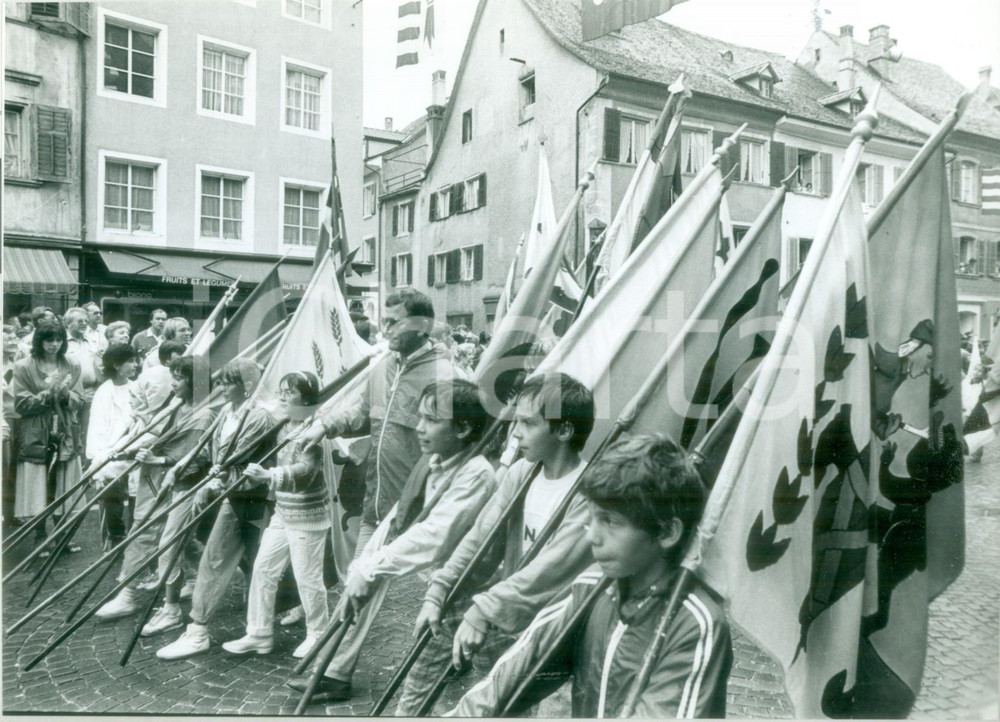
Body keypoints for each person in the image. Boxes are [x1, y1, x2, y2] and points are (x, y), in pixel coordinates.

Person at [447, 434, 733, 718]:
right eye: (591, 518)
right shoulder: (591, 587)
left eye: (610, 521)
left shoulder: (694, 624)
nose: (593, 536)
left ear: (667, 532)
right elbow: (513, 675)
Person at [394, 372, 596, 715]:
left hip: (560, 633)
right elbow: (481, 540)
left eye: (527, 423)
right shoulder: (520, 473)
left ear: (563, 431)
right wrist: (440, 589)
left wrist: (484, 610)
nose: (514, 433)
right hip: (514, 617)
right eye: (515, 420)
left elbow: (551, 573)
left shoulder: (589, 492)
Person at [287, 379, 498, 700]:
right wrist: (364, 566)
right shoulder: (432, 460)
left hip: (465, 585)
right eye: (420, 417)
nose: (419, 428)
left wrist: (372, 569)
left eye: (431, 420)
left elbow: (434, 535)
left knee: (431, 683)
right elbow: (396, 520)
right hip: (441, 577)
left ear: (463, 428)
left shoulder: (477, 473)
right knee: (437, 660)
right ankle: (336, 674)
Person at [299, 289, 458, 560]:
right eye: (385, 322)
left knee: (419, 597)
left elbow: (456, 452)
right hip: (374, 507)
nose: (386, 331)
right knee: (357, 588)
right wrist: (324, 425)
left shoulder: (444, 376)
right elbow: (361, 414)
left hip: (417, 514)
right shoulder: (384, 367)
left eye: (395, 322)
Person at [154, 359, 279, 656]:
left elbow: (235, 459)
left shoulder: (259, 416)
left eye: (228, 383)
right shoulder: (227, 411)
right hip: (231, 492)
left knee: (217, 559)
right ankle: (260, 629)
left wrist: (212, 484)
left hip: (249, 496)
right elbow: (208, 449)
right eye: (221, 381)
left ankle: (198, 630)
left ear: (247, 387)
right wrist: (180, 467)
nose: (220, 388)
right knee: (251, 562)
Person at [95, 356, 216, 621]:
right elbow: (161, 437)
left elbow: (197, 455)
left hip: (181, 484)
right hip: (157, 479)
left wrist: (158, 459)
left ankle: (128, 595)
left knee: (148, 534)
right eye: (173, 376)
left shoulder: (203, 414)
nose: (174, 383)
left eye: (180, 377)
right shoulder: (177, 405)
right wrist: (132, 450)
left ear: (195, 382)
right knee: (168, 535)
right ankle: (194, 578)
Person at [221, 372, 330, 657]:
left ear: (305, 398)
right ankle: (259, 634)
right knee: (263, 568)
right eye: (280, 390)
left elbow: (307, 472)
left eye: (289, 391)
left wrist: (269, 475)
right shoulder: (283, 424)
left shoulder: (313, 428)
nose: (282, 395)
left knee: (308, 578)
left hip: (308, 514)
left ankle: (319, 634)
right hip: (284, 511)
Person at [11, 319, 84, 551]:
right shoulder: (23, 366)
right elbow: (20, 404)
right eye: (48, 340)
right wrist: (47, 393)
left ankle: (62, 538)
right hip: (36, 430)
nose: (53, 344)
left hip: (64, 431)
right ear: (39, 341)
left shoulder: (71, 364)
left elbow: (80, 399)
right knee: (39, 484)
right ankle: (40, 538)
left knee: (62, 482)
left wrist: (63, 394)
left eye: (58, 339)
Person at [87, 343, 140, 551]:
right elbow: (97, 427)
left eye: (135, 360)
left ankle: (135, 538)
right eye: (131, 361)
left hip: (133, 448)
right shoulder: (104, 392)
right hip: (110, 452)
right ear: (117, 365)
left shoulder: (137, 387)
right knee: (113, 497)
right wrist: (99, 456)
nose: (135, 365)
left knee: (137, 495)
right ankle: (116, 538)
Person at [63, 307, 103, 450]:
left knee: (89, 429)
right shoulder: (62, 342)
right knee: (70, 428)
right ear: (68, 323)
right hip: (71, 393)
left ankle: (85, 462)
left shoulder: (92, 342)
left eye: (86, 321)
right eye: (80, 321)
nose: (84, 324)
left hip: (91, 392)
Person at [3, 324, 22, 525]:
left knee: (13, 467)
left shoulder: (16, 363)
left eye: (14, 337)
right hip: (4, 419)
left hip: (18, 418)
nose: (13, 340)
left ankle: (10, 512)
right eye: (7, 338)